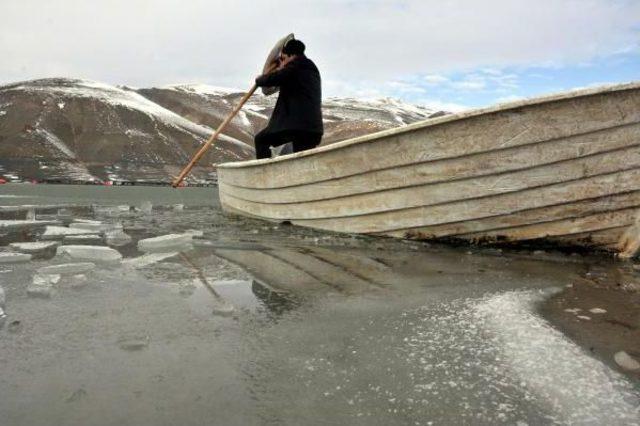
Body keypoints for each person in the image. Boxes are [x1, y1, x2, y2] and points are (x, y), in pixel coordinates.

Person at [253, 39, 323, 159]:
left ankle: (265, 172)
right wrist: (282, 66)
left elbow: (272, 80)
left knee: (261, 140)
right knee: (301, 158)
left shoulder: (295, 66)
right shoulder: (311, 68)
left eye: (283, 58)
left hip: (294, 128)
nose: (282, 62)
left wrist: (260, 79)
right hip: (312, 129)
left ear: (292, 55)